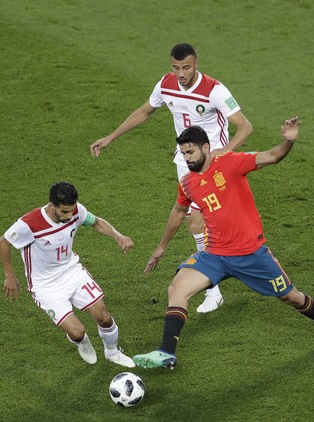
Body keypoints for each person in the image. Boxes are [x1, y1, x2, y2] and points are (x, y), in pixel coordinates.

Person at [132, 118, 314, 369]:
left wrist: (288, 142)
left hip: (251, 255)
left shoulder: (231, 162)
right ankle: (166, 352)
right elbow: (179, 211)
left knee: (292, 297)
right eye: (182, 154)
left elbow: (271, 156)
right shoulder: (188, 183)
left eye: (190, 152)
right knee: (176, 290)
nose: (186, 159)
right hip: (215, 255)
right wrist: (161, 248)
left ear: (205, 147)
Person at [90, 43, 254, 314]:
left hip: (211, 166)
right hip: (184, 162)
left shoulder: (214, 89)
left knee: (204, 220)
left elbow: (245, 126)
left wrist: (223, 154)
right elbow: (144, 112)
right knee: (195, 222)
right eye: (176, 67)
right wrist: (110, 137)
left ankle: (216, 284)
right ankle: (219, 281)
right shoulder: (166, 84)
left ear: (197, 63)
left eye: (186, 67)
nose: (181, 73)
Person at [0, 181, 135, 368]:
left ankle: (112, 352)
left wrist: (118, 236)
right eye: (64, 212)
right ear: (51, 206)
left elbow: (96, 222)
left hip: (72, 272)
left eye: (71, 210)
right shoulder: (29, 224)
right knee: (78, 331)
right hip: (45, 286)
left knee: (103, 316)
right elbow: (4, 242)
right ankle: (81, 341)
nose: (70, 215)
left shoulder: (75, 211)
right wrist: (10, 276)